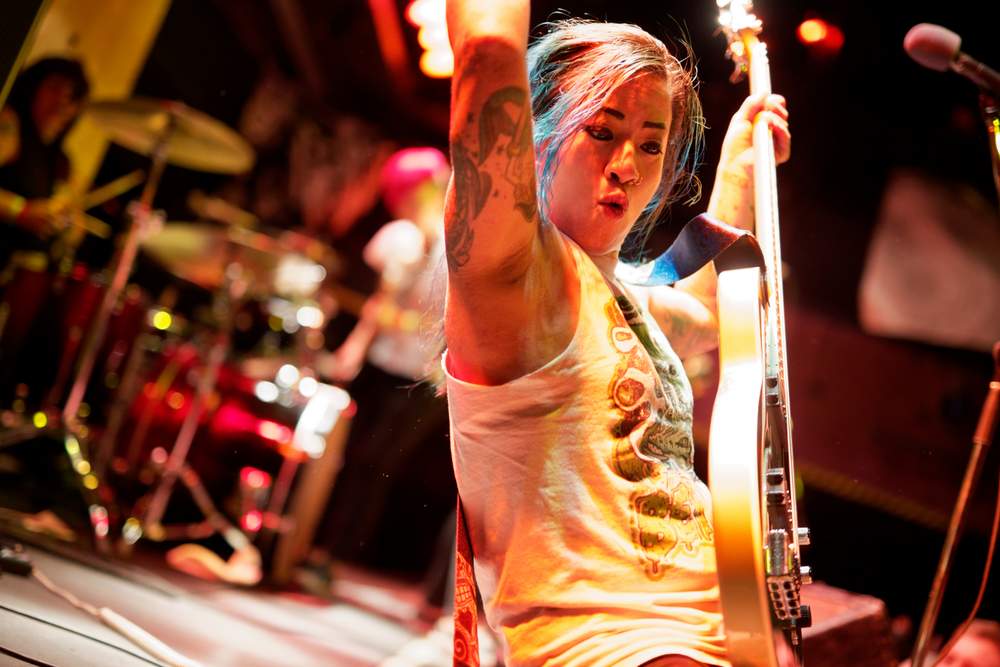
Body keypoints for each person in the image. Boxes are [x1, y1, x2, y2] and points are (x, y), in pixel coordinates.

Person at [441, 4, 790, 667]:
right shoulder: (517, 276)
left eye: (652, 144)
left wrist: (741, 164)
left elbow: (707, 313)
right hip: (614, 648)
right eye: (601, 132)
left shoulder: (624, 295)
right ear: (537, 135)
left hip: (712, 639)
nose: (628, 165)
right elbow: (487, 55)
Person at [0, 57, 89, 403]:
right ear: (33, 87)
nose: (61, 102)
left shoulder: (62, 162)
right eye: (54, 89)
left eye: (71, 96)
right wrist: (21, 211)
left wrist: (69, 225)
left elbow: (72, 224)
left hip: (23, 285)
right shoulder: (10, 126)